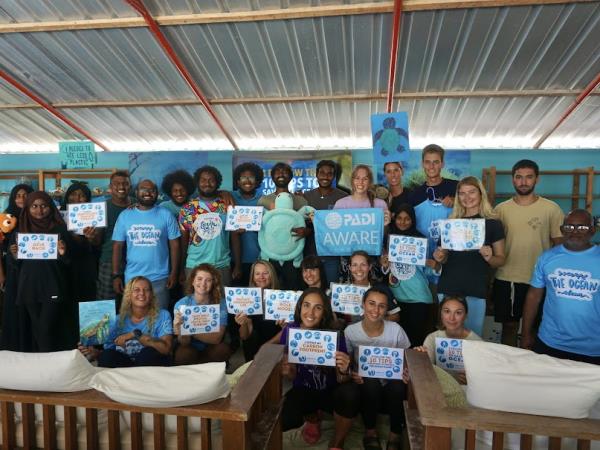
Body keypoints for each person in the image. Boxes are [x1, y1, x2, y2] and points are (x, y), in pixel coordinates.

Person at [492, 160, 563, 346]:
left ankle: (530, 370)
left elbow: (559, 248)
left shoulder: (551, 209)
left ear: (537, 179)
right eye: (519, 177)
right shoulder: (500, 210)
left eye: (529, 177)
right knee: (509, 326)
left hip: (539, 281)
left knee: (534, 329)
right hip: (507, 278)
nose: (523, 182)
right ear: (513, 180)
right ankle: (508, 369)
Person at [279, 288, 357, 448]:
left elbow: (343, 379)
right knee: (287, 419)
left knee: (350, 394)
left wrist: (344, 369)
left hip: (331, 392)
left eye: (318, 307)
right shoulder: (289, 330)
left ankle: (337, 441)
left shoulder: (335, 334)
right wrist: (287, 370)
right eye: (306, 305)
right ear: (299, 307)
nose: (311, 312)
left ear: (325, 312)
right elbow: (292, 376)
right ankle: (312, 417)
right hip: (304, 390)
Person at [521, 209, 599, 365]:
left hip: (593, 347)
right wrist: (525, 334)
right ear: (562, 230)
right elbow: (533, 297)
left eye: (582, 227)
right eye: (569, 227)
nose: (575, 231)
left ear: (592, 230)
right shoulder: (547, 258)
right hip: (550, 342)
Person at [433, 176, 505, 337]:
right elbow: (442, 259)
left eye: (472, 192)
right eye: (462, 193)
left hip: (475, 289)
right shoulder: (451, 223)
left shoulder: (493, 223)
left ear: (481, 194)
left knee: (472, 340)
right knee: (446, 340)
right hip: (448, 287)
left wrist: (489, 257)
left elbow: (500, 260)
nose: (467, 197)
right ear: (457, 196)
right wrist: (440, 256)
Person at [345, 287, 411, 450]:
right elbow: (347, 362)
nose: (376, 310)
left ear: (387, 309)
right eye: (371, 304)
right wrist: (352, 373)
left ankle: (395, 434)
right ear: (363, 305)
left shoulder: (395, 330)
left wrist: (406, 370)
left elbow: (407, 357)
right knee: (370, 382)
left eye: (381, 306)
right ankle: (370, 432)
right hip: (366, 387)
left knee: (398, 385)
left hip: (392, 386)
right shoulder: (350, 331)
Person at [9, 191, 74, 351]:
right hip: (29, 286)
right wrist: (14, 255)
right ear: (28, 208)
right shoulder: (20, 231)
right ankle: (43, 365)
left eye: (44, 206)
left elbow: (69, 263)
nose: (39, 210)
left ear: (50, 207)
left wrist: (64, 253)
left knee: (45, 327)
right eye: (34, 206)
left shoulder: (59, 229)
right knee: (38, 327)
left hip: (52, 285)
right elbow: (15, 265)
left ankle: (47, 364)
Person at [112, 179, 181, 310]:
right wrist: (116, 275)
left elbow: (175, 245)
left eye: (152, 190)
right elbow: (117, 246)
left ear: (157, 193)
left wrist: (174, 273)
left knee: (160, 317)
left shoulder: (166, 215)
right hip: (132, 278)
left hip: (160, 278)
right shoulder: (125, 215)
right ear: (136, 192)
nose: (148, 193)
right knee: (134, 319)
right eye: (144, 189)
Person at [79, 276, 173, 367]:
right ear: (129, 295)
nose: (142, 293)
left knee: (147, 353)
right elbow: (109, 353)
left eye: (146, 290)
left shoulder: (163, 315)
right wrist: (96, 353)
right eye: (136, 290)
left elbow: (166, 349)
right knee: (106, 356)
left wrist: (135, 334)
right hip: (125, 366)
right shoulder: (115, 320)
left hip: (149, 367)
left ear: (151, 295)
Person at [383, 203, 439, 346]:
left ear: (413, 220)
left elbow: (427, 272)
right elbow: (386, 270)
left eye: (407, 218)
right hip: (395, 298)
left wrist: (434, 265)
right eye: (399, 218)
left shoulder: (421, 240)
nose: (403, 222)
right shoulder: (388, 239)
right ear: (394, 219)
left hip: (418, 297)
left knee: (415, 342)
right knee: (395, 342)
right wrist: (383, 264)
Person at [179, 165, 241, 286]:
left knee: (221, 303)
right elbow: (183, 242)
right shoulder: (187, 209)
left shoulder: (227, 205)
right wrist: (181, 269)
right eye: (203, 180)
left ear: (217, 183)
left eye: (211, 180)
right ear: (197, 182)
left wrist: (238, 265)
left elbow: (235, 237)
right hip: (194, 266)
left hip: (221, 265)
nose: (207, 183)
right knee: (195, 303)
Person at [172, 264, 232, 364]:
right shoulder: (181, 304)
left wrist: (190, 330)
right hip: (190, 345)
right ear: (192, 281)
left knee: (222, 350)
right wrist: (180, 329)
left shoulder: (221, 303)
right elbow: (184, 342)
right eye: (199, 279)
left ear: (213, 283)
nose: (203, 283)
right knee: (183, 354)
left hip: (211, 345)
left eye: (208, 280)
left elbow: (217, 338)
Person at [415, 296, 482, 383]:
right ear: (441, 314)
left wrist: (472, 378)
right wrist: (420, 358)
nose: (451, 318)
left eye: (458, 313)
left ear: (465, 316)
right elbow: (425, 372)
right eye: (447, 311)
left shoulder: (478, 343)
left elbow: (483, 378)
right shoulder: (432, 338)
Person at [0, 183, 33, 351]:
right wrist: (1, 274)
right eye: (18, 196)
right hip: (12, 270)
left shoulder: (36, 217)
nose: (21, 199)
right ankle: (14, 346)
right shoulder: (4, 218)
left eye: (25, 195)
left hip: (32, 272)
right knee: (14, 308)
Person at [303, 160, 348, 283]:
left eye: (330, 173)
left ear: (333, 176)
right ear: (316, 174)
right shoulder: (306, 197)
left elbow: (346, 226)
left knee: (331, 290)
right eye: (322, 172)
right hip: (311, 253)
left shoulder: (343, 197)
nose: (325, 176)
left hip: (332, 255)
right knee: (312, 291)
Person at [96, 170, 132, 302]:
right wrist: (92, 236)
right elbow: (97, 241)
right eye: (117, 184)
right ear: (110, 187)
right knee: (107, 303)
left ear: (131, 187)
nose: (121, 187)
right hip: (109, 261)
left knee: (133, 303)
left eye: (125, 183)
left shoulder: (137, 206)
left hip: (134, 262)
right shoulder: (102, 208)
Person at [235, 260, 281, 361]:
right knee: (252, 336)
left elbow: (287, 331)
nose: (261, 277)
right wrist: (244, 323)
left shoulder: (282, 297)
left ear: (272, 275)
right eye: (257, 274)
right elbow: (244, 336)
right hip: (254, 346)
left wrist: (267, 346)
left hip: (275, 343)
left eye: (265, 273)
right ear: (253, 277)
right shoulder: (245, 298)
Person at [61, 182, 99, 302]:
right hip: (64, 264)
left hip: (85, 265)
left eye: (81, 195)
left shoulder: (94, 215)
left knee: (85, 298)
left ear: (87, 198)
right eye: (73, 194)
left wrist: (91, 238)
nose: (77, 198)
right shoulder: (57, 215)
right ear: (67, 196)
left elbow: (97, 243)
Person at [231, 162, 265, 286]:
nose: (247, 181)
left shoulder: (264, 200)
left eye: (251, 177)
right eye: (243, 177)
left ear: (257, 181)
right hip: (233, 260)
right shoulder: (229, 197)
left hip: (259, 258)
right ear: (238, 181)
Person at [345, 250, 400, 324]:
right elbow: (337, 322)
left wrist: (373, 322)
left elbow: (395, 317)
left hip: (378, 333)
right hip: (351, 333)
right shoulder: (343, 290)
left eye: (363, 265)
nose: (359, 269)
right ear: (350, 267)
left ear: (370, 266)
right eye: (355, 265)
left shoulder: (382, 289)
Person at [408, 144, 458, 208]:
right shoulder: (414, 195)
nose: (431, 166)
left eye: (436, 162)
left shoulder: (456, 187)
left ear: (442, 164)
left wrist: (457, 202)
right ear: (422, 164)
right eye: (427, 162)